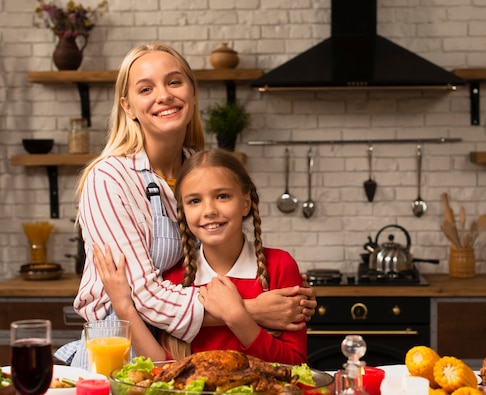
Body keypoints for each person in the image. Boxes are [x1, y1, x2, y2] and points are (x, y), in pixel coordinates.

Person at [57, 42, 315, 367]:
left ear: (192, 94)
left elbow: (221, 252)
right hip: (119, 348)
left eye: (174, 82)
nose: (163, 95)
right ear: (128, 106)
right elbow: (143, 296)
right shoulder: (109, 178)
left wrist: (290, 296)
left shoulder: (198, 168)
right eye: (146, 88)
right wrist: (251, 310)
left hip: (180, 347)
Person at [95, 149, 307, 364]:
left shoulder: (279, 265)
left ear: (245, 203)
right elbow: (164, 367)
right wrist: (123, 306)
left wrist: (237, 317)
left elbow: (295, 365)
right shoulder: (174, 280)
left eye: (222, 196)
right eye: (194, 201)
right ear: (183, 212)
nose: (209, 210)